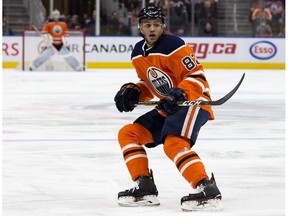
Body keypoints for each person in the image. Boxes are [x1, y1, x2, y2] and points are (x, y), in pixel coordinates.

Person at [114, 6, 223, 211]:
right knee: (129, 134)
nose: (152, 29)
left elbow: (197, 77)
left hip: (192, 101)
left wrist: (179, 93)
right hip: (170, 105)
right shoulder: (138, 53)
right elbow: (152, 83)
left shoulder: (174, 45)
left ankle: (206, 187)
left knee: (173, 143)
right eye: (148, 25)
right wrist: (135, 91)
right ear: (140, 28)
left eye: (156, 25)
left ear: (163, 26)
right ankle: (145, 186)